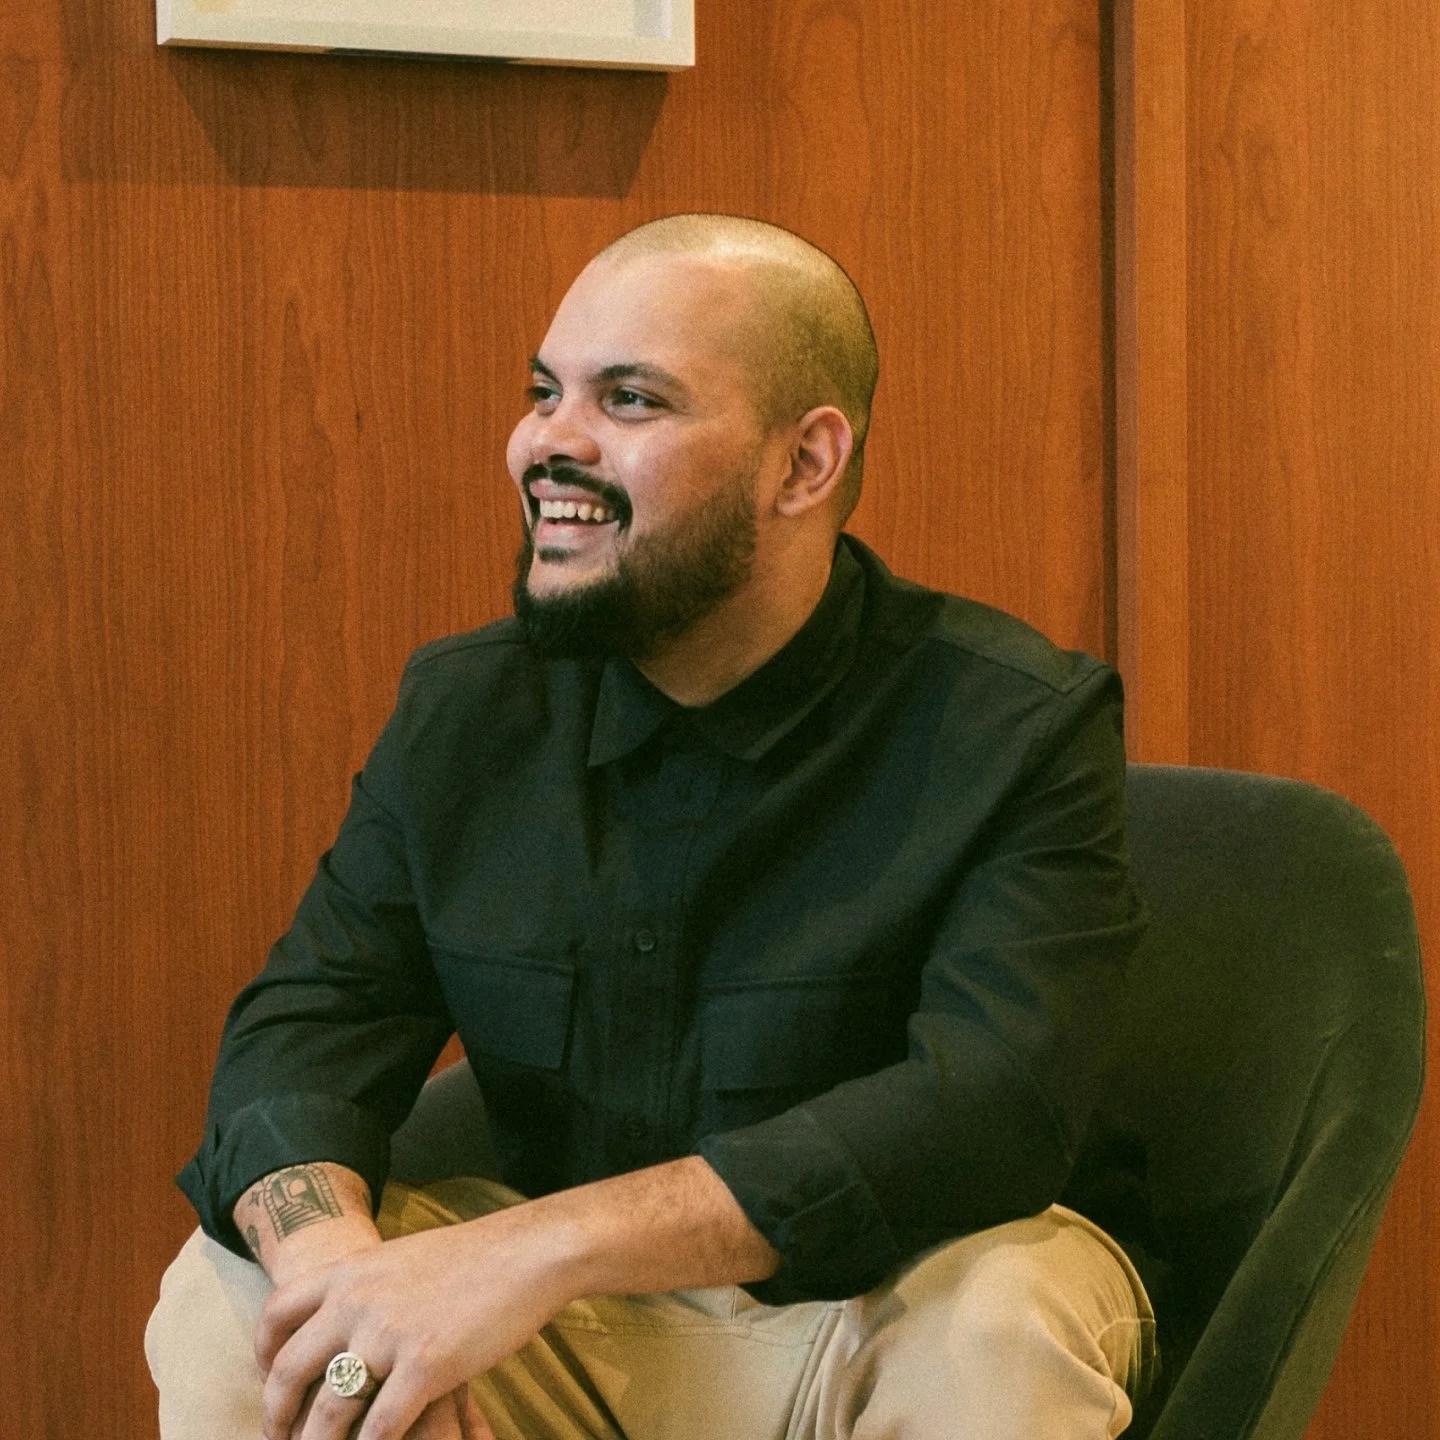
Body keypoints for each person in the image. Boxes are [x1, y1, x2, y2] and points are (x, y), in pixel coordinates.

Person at [146, 214, 1156, 1440]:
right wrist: (342, 1305)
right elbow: (301, 1037)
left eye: (629, 400)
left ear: (803, 465)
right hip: (561, 1342)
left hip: (873, 1318)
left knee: (1004, 1326)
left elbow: (991, 1111)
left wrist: (532, 1251)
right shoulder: (466, 711)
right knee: (233, 1295)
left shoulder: (1013, 726)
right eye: (541, 391)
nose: (546, 444)